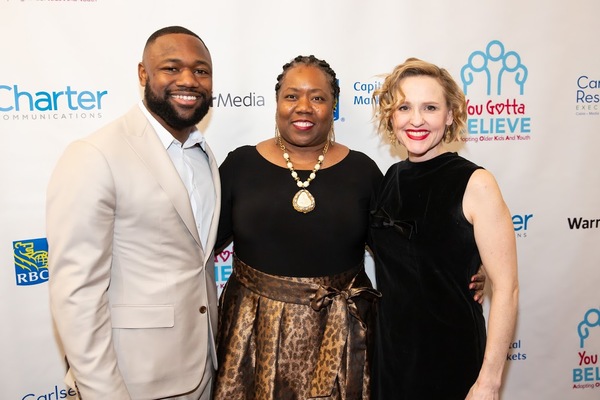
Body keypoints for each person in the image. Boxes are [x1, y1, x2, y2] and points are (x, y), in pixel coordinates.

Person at [213, 55, 486, 400]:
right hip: (255, 333)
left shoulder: (363, 171)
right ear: (277, 103)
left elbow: (404, 249)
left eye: (318, 97)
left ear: (334, 106)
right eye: (292, 96)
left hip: (342, 334)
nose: (304, 107)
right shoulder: (240, 165)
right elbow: (197, 245)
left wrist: (470, 264)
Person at [46, 26, 220, 400]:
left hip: (202, 368)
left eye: (201, 70)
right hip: (132, 379)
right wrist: (103, 392)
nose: (188, 80)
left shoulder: (204, 155)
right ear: (143, 74)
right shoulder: (95, 155)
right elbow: (76, 292)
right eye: (171, 68)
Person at [369, 58, 519, 400]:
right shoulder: (391, 179)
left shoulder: (476, 183)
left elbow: (507, 288)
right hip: (392, 358)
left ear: (450, 115)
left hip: (452, 357)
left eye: (430, 107)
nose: (417, 120)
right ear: (391, 115)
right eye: (405, 106)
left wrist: (489, 382)